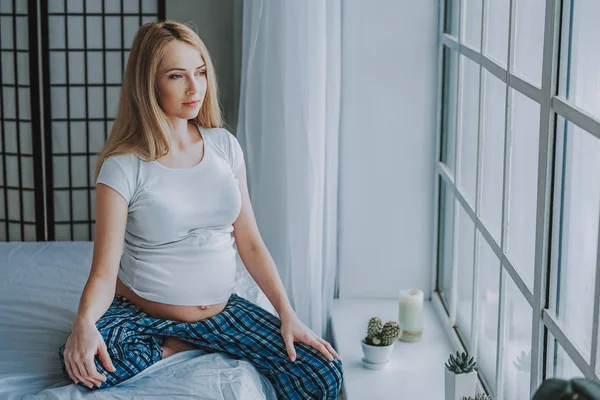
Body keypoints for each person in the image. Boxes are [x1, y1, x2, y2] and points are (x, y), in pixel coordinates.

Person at [58, 20, 343, 399]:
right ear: (149, 83)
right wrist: (83, 323)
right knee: (86, 367)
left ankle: (197, 342)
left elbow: (251, 242)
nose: (195, 88)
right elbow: (104, 272)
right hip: (144, 314)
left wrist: (288, 315)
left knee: (322, 374)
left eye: (201, 72)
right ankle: (175, 344)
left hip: (220, 313)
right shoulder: (123, 166)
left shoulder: (224, 145)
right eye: (177, 76)